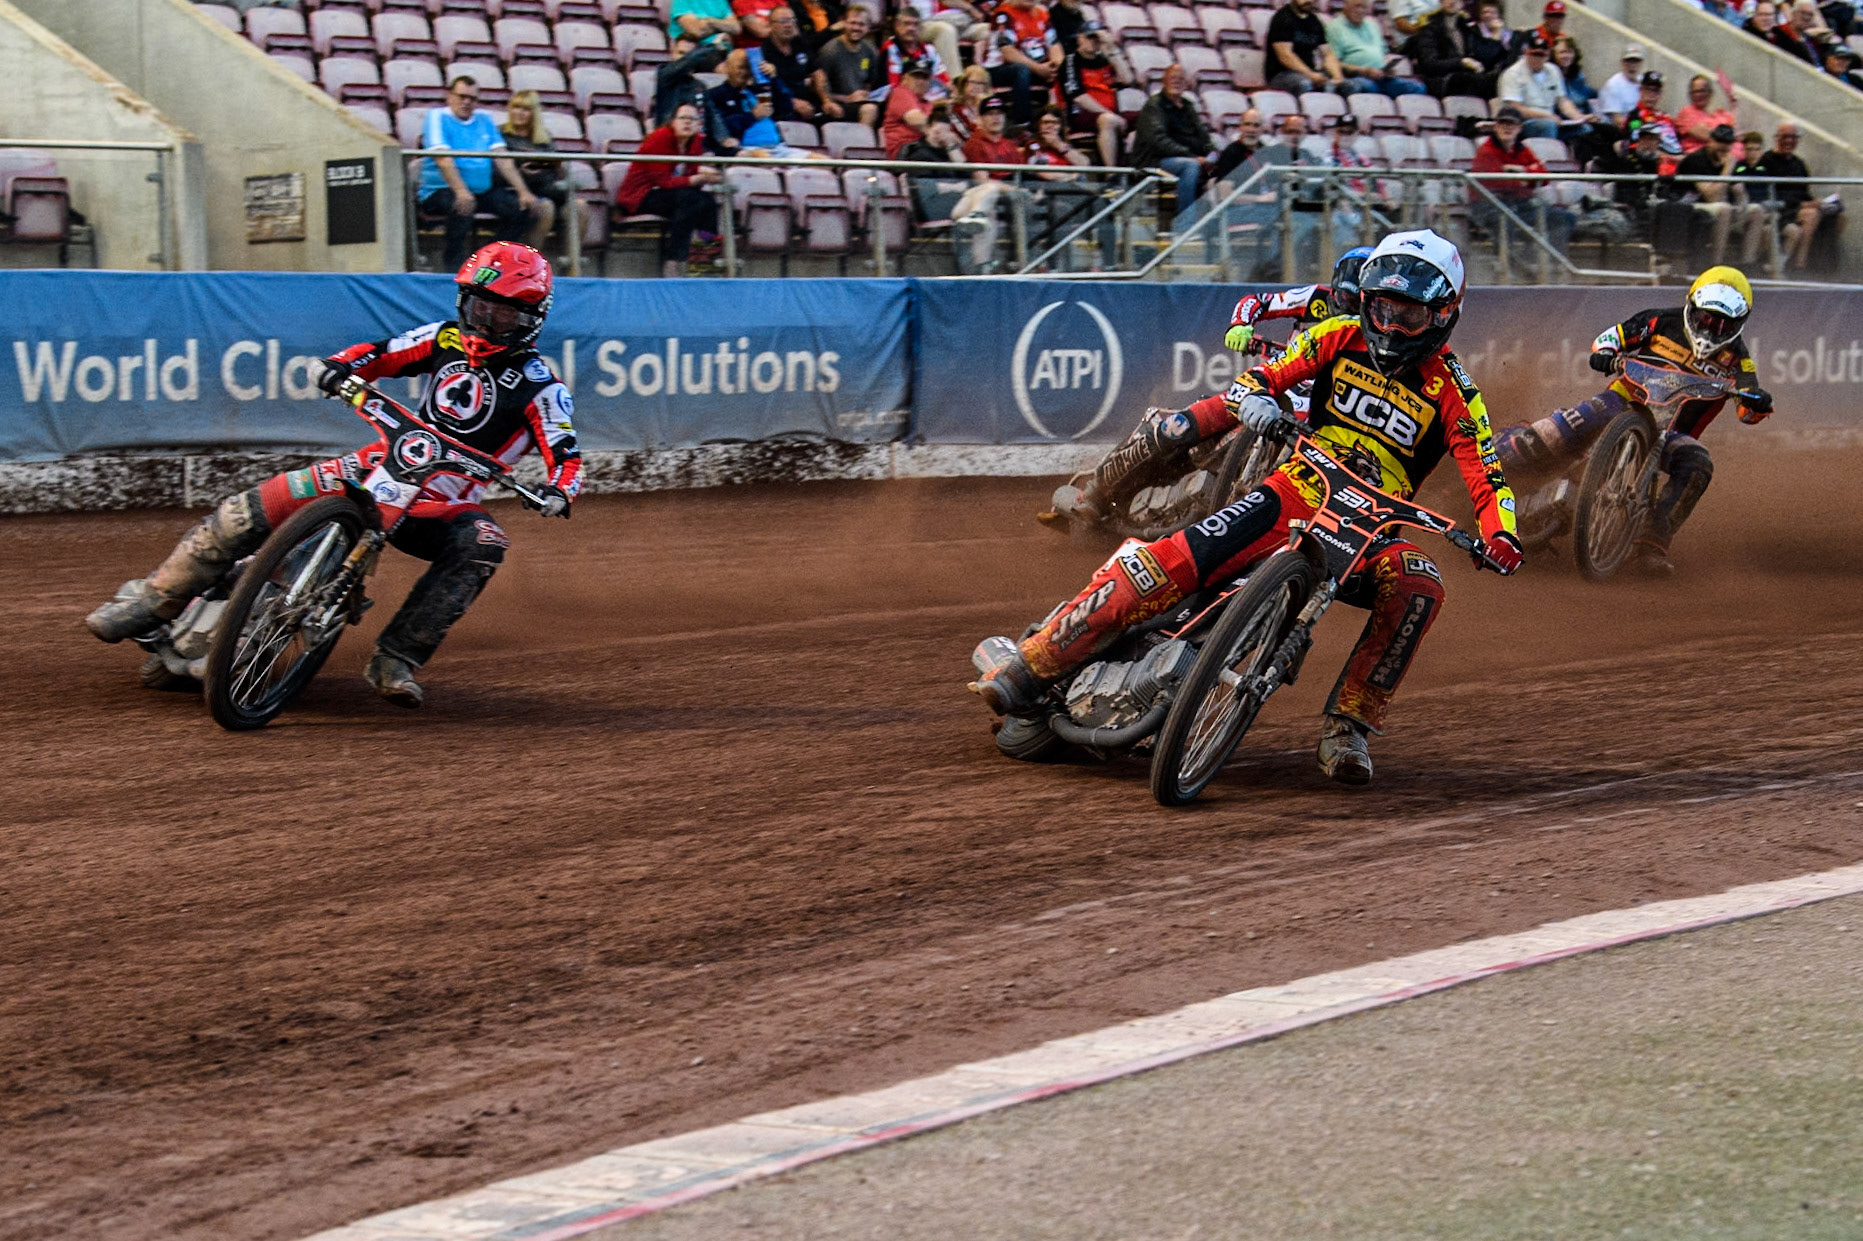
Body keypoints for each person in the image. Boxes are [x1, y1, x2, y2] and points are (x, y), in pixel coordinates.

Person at [993, 231, 1521, 786]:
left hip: (1375, 526)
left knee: (1422, 585)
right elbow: (1263, 378)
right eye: (1381, 308)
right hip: (1298, 487)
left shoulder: (1457, 391)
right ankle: (1034, 663)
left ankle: (1350, 726)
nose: (1390, 325)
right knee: (1177, 556)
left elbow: (1488, 476)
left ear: (1445, 315)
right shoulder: (1336, 335)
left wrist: (1501, 536)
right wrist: (1255, 400)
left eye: (1408, 317)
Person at [85, 242, 579, 707]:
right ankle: (152, 602)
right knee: (245, 511)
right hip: (377, 467)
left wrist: (557, 491)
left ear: (531, 319)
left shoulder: (543, 388)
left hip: (440, 504)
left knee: (485, 542)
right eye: (478, 305)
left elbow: (567, 456)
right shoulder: (440, 338)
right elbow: (377, 353)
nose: (487, 320)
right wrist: (341, 366)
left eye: (503, 311)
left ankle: (397, 659)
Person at [1044, 246, 1374, 529]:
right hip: (1273, 386)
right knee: (1177, 427)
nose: (1344, 306)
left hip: (1317, 414)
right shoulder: (1315, 298)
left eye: (1354, 301)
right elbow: (1257, 301)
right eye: (1341, 296)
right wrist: (1241, 325)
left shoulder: (1374, 339)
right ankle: (1097, 493)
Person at [1493, 267, 1772, 575]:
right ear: (1691, 306)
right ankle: (1494, 456)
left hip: (1671, 433)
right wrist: (1606, 353)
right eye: (1705, 318)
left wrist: (1755, 402)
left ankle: (1652, 545)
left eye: (1721, 324)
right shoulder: (1660, 320)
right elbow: (1611, 338)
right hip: (1620, 402)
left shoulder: (1740, 361)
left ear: (1739, 323)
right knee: (1560, 430)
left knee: (1699, 464)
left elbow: (1748, 411)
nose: (1710, 329)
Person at [418, 76, 540, 270]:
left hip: (481, 191)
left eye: (472, 98)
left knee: (521, 207)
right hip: (441, 189)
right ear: (450, 96)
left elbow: (503, 158)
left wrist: (523, 191)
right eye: (462, 96)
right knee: (462, 205)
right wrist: (460, 191)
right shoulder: (437, 117)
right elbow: (442, 159)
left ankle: (489, 261)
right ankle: (454, 267)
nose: (466, 102)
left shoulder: (484, 119)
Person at [615, 102, 724, 278]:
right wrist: (695, 179)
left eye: (692, 119)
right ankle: (675, 262)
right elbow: (663, 181)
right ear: (672, 122)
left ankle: (705, 257)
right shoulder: (660, 137)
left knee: (706, 200)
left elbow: (690, 175)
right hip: (641, 195)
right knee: (689, 198)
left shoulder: (696, 142)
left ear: (699, 125)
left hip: (672, 195)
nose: (687, 123)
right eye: (682, 118)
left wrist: (706, 177)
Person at [1470, 104, 1575, 254]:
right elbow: (1499, 184)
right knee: (1505, 222)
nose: (1507, 128)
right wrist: (1527, 177)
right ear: (1496, 127)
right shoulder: (1486, 151)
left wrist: (1522, 171)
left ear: (1519, 128)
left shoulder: (1522, 149)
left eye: (1512, 124)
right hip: (1490, 205)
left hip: (1519, 204)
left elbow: (1544, 177)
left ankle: (1551, 263)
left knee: (1564, 217)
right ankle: (1507, 268)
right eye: (1503, 123)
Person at [1131, 63, 1216, 234]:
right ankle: (1185, 228)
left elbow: (1204, 138)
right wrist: (1192, 156)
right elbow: (1158, 140)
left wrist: (1212, 155)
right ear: (1164, 81)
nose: (1177, 82)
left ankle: (1217, 231)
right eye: (1173, 78)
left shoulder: (1188, 106)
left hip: (1184, 158)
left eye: (1181, 79)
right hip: (1154, 162)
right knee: (1190, 166)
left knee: (1224, 163)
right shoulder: (1154, 106)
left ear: (1187, 84)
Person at [1676, 124, 1768, 265]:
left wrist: (1740, 204)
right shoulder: (1696, 160)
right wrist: (1726, 170)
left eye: (1727, 143)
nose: (1723, 147)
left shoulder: (1730, 160)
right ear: (1711, 141)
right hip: (1689, 207)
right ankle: (1716, 264)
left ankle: (1747, 264)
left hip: (1718, 207)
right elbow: (1711, 197)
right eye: (1720, 141)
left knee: (1756, 210)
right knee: (1724, 209)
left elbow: (1741, 194)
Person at [1750, 121, 1837, 271]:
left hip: (1796, 208)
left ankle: (1826, 265)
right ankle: (1800, 264)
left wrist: (1816, 201)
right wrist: (1802, 204)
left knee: (1837, 216)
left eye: (1792, 137)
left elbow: (1803, 191)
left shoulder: (1799, 163)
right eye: (1785, 137)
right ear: (1777, 138)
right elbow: (1767, 192)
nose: (1789, 141)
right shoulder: (1767, 160)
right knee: (1811, 214)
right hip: (1778, 209)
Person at [1495, 33, 1594, 142]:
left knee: (1585, 129)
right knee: (1548, 126)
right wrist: (1546, 115)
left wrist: (1578, 117)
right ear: (1526, 53)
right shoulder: (1513, 74)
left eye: (1540, 55)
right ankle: (1548, 156)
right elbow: (1515, 108)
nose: (1536, 59)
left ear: (1547, 55)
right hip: (1524, 123)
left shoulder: (1553, 70)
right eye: (1533, 55)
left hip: (1552, 119)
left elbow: (1562, 101)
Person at [1062, 19, 1133, 169]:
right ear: (1080, 38)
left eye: (1097, 39)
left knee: (1147, 119)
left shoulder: (1105, 60)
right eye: (1090, 37)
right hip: (1082, 115)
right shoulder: (1071, 61)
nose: (1093, 42)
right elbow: (1078, 96)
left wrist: (1112, 48)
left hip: (1112, 114)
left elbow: (1127, 79)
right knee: (1107, 120)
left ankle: (1135, 170)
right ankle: (1112, 173)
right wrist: (1109, 114)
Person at [499, 90, 564, 252]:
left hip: (546, 186)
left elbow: (558, 169)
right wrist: (520, 172)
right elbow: (498, 169)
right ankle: (530, 266)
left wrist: (553, 165)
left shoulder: (544, 137)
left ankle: (571, 269)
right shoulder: (500, 134)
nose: (519, 113)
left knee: (580, 207)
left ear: (534, 113)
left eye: (525, 109)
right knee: (546, 207)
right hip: (514, 190)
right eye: (516, 107)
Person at [977, 0, 1062, 124]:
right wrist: (1039, 68)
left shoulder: (1043, 13)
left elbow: (1054, 45)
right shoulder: (1004, 14)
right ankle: (1023, 123)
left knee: (1067, 68)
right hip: (999, 69)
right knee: (1021, 70)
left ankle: (1059, 124)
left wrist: (1056, 65)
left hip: (1036, 68)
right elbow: (1008, 52)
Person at [1268, 0, 1376, 96]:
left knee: (1349, 86)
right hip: (1282, 75)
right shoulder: (1282, 18)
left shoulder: (1314, 21)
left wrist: (1337, 77)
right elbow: (1285, 55)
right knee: (1304, 84)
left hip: (1309, 73)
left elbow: (1328, 54)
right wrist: (1310, 74)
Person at [654, 31, 733, 144]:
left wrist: (724, 138)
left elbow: (712, 116)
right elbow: (688, 61)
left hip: (696, 145)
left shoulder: (699, 85)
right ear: (672, 53)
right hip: (668, 144)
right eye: (681, 54)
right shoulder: (664, 75)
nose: (685, 60)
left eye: (689, 54)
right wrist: (713, 46)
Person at [817, 6, 885, 127]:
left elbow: (869, 81)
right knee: (869, 110)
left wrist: (865, 94)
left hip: (860, 102)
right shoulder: (830, 50)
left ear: (868, 27)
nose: (856, 28)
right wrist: (847, 98)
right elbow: (818, 89)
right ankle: (861, 145)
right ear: (844, 23)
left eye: (861, 24)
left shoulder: (870, 49)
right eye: (852, 23)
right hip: (837, 105)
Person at [1414, 0, 1496, 98]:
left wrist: (1496, 33)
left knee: (1497, 79)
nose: (1452, 2)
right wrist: (1461, 62)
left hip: (1466, 77)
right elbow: (1429, 64)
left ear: (1462, 3)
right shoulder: (1429, 27)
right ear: (1441, 2)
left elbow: (1485, 57)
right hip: (1441, 80)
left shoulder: (1466, 28)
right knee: (1469, 80)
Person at [760, 6, 825, 119]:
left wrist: (826, 100)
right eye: (783, 21)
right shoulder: (763, 52)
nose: (789, 25)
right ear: (770, 25)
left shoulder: (800, 43)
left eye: (792, 20)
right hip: (782, 106)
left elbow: (817, 72)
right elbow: (763, 92)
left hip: (807, 100)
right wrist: (792, 102)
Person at [884, 8, 953, 100]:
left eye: (915, 24)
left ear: (920, 28)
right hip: (900, 99)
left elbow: (945, 81)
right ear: (897, 25)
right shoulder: (891, 48)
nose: (911, 28)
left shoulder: (929, 49)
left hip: (930, 99)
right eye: (906, 24)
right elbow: (894, 87)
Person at [881, 57, 937, 156]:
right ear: (904, 79)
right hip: (903, 151)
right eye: (916, 77)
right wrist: (939, 132)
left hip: (924, 148)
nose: (921, 81)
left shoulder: (928, 104)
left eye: (925, 78)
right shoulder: (900, 92)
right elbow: (916, 120)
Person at [1675, 74, 1736, 155]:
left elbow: (1735, 138)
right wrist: (1723, 136)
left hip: (1720, 160)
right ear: (1690, 95)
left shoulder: (1724, 115)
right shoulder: (1686, 112)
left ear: (1711, 92)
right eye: (1696, 91)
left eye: (1703, 91)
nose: (1700, 95)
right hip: (1695, 158)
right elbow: (1702, 134)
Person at [1592, 43, 1646, 125]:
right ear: (1622, 63)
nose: (1632, 66)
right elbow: (1617, 121)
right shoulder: (1614, 85)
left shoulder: (1643, 82)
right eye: (1629, 62)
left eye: (1636, 62)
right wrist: (1641, 126)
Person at [949, 64, 996, 141]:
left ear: (985, 87)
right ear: (964, 84)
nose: (975, 86)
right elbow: (968, 136)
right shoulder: (956, 108)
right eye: (972, 82)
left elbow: (997, 130)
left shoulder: (989, 106)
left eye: (980, 83)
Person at [1552, 35, 1596, 113]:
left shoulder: (1578, 77)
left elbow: (1586, 96)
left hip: (1580, 113)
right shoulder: (1550, 75)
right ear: (1554, 55)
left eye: (1569, 52)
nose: (1566, 56)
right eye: (1562, 52)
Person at [669, 0, 740, 41]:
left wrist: (709, 22)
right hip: (693, 54)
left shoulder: (720, 1)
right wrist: (721, 28)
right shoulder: (682, 1)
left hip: (721, 53)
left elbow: (736, 28)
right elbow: (697, 31)